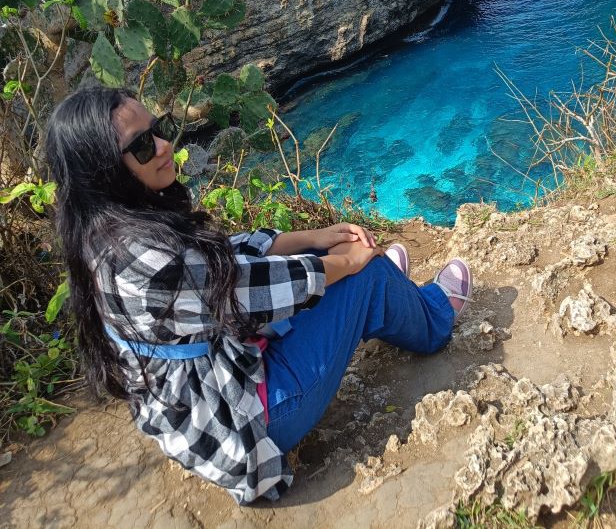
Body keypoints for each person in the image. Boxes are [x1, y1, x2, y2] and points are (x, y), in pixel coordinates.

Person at [44, 87, 472, 506]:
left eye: (158, 129)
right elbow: (245, 292)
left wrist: (316, 237)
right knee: (369, 274)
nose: (162, 145)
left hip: (200, 398)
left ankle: (380, 300)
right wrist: (351, 264)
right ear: (103, 169)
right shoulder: (145, 258)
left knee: (329, 261)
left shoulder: (102, 230)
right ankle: (431, 318)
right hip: (246, 423)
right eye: (141, 146)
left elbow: (219, 258)